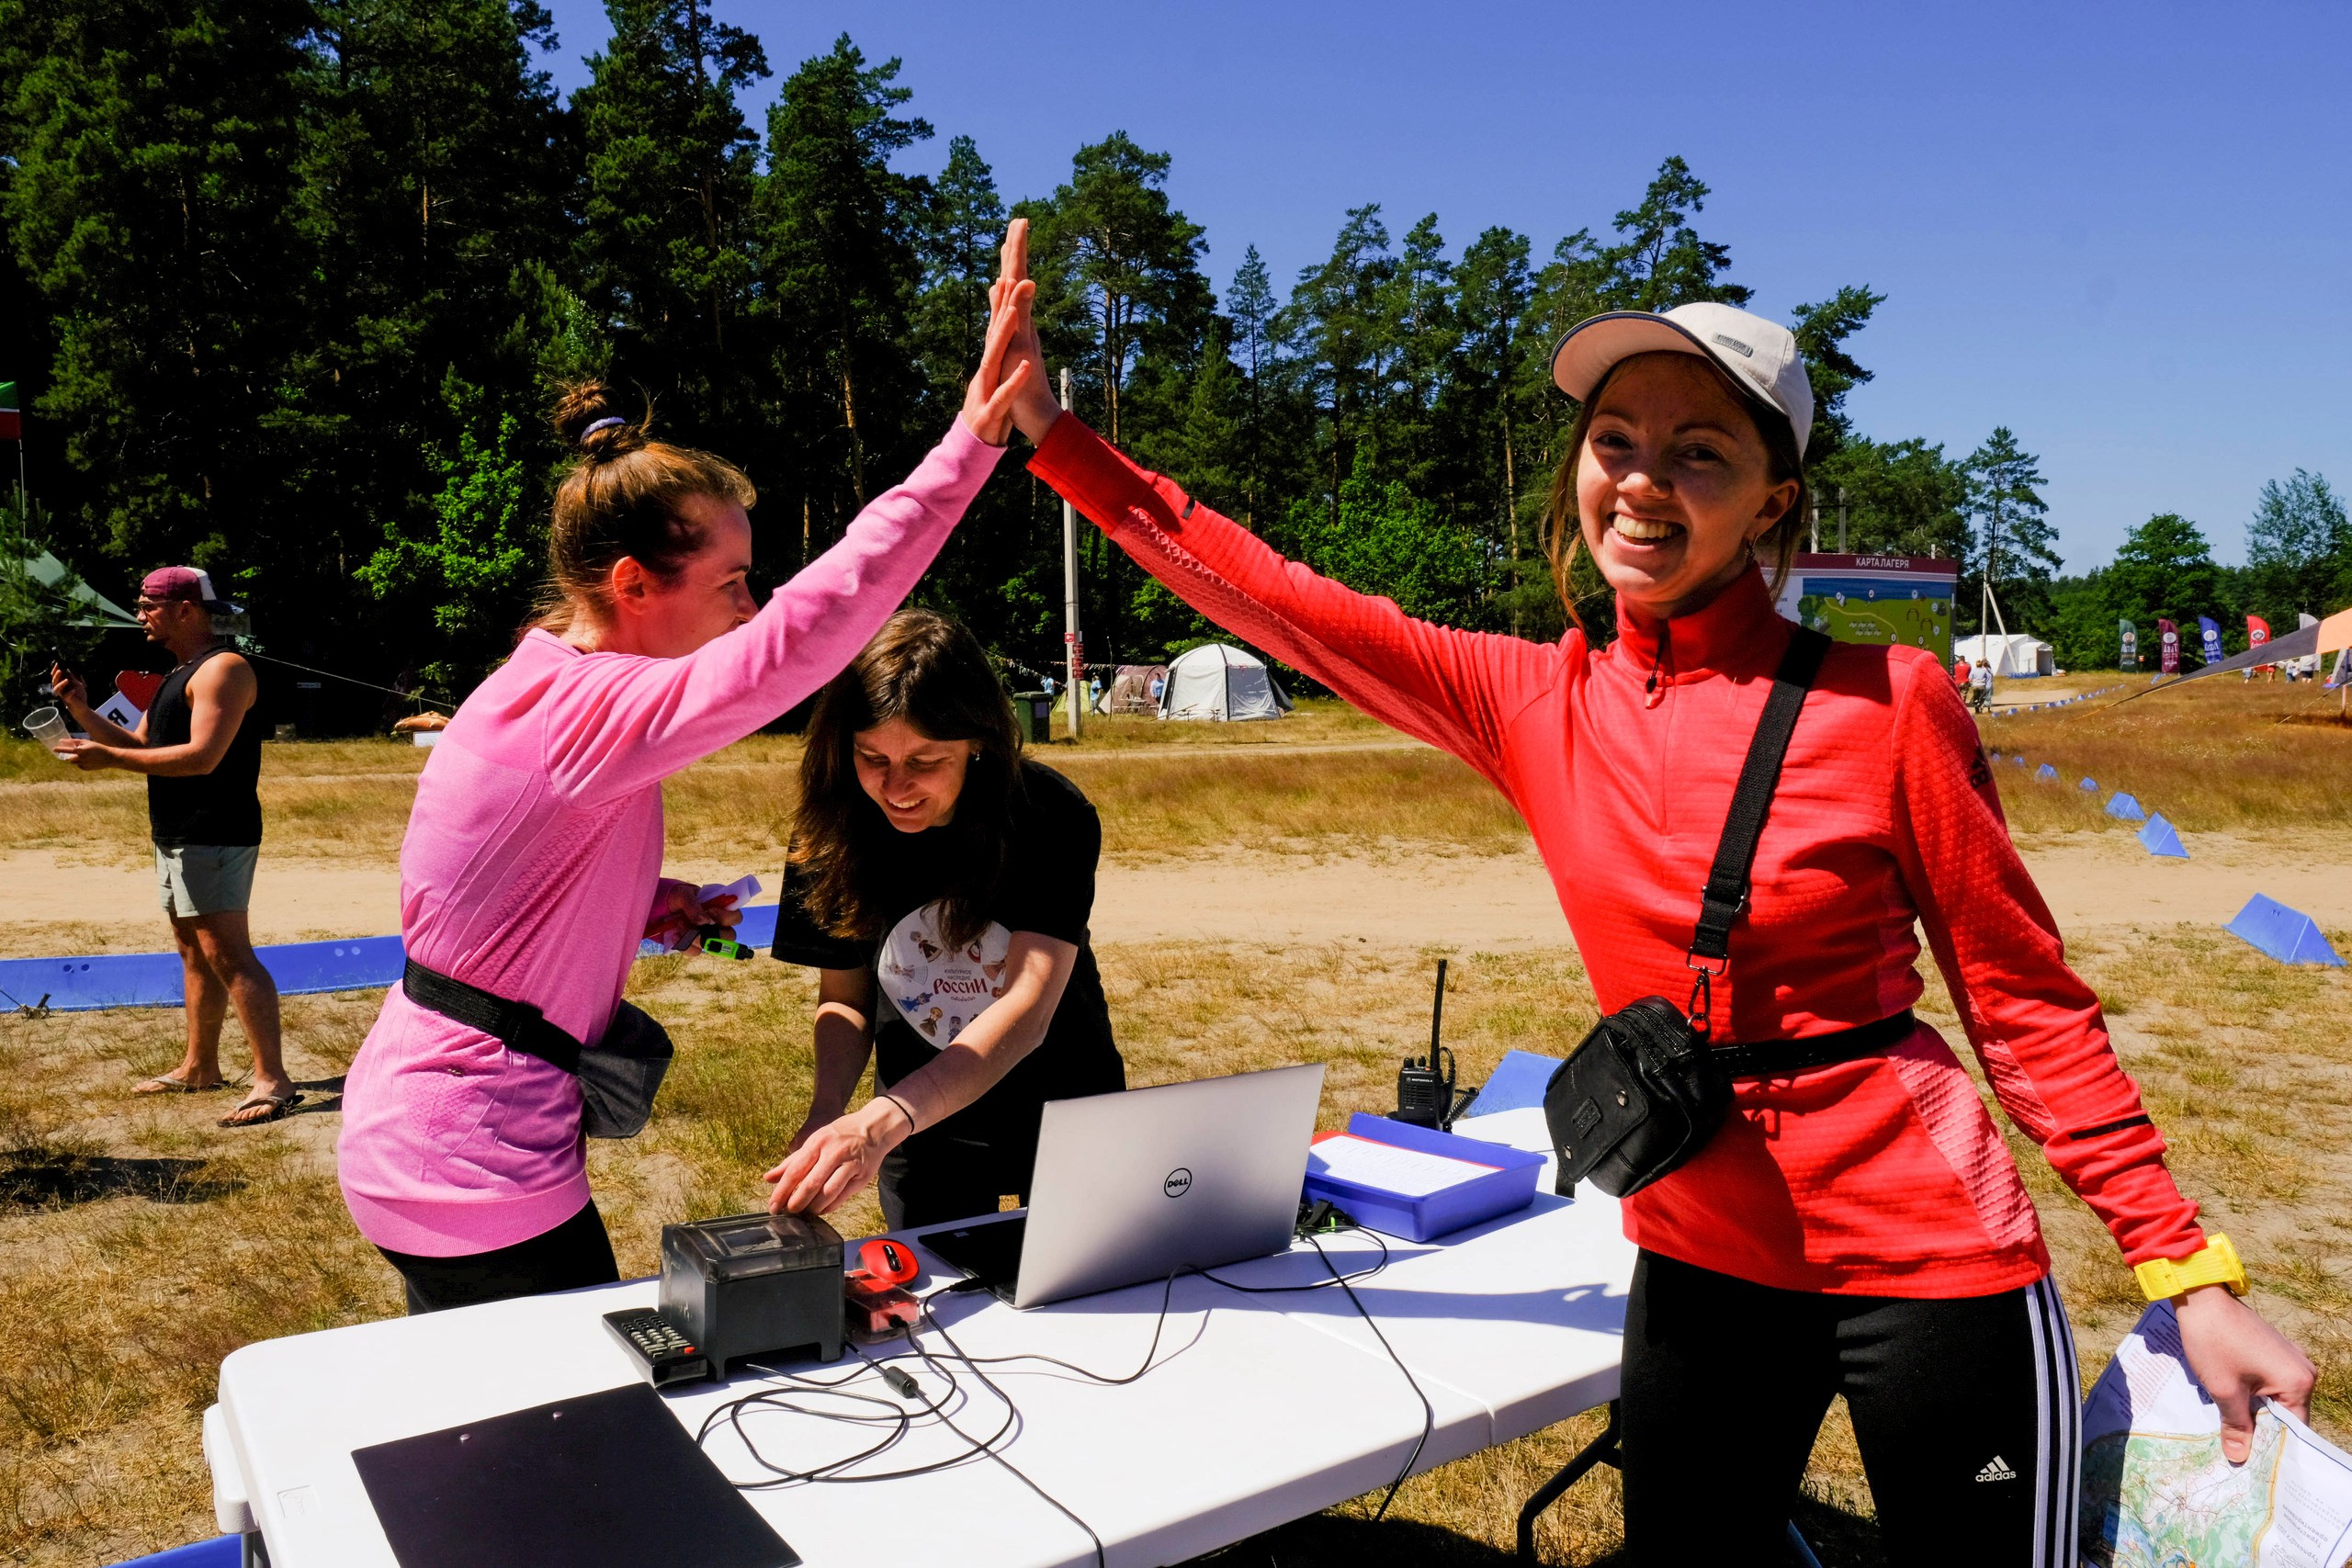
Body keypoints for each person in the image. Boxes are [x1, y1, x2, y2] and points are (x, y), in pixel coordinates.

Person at [995, 269, 2314, 1564]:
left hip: (1928, 1253)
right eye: (1614, 441)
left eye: (1698, 454)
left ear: (1771, 502)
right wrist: (1058, 440)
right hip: (1698, 1243)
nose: (1640, 479)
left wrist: (2184, 1268)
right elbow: (1280, 601)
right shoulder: (1533, 698)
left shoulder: (1891, 701)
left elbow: (2023, 1004)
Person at [334, 222, 1039, 1314]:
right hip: (467, 1155)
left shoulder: (539, 687)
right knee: (574, 1440)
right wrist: (970, 444)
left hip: (435, 1132)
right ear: (633, 583)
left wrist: (641, 904)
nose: (750, 606)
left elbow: (486, 887)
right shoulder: (587, 711)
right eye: (732, 583)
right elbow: (809, 634)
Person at [764, 609, 1124, 1228]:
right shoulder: (830, 833)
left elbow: (1028, 1008)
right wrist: (828, 1110)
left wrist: (883, 1119)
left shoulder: (1046, 815)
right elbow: (846, 999)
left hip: (1066, 1115)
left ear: (977, 741)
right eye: (871, 756)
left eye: (925, 762)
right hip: (927, 1142)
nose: (895, 786)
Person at [51, 568, 300, 1127]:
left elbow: (202, 757)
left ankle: (273, 1081)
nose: (139, 613)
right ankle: (199, 1067)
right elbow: (141, 743)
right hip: (179, 833)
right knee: (193, 951)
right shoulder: (178, 672)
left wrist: (107, 759)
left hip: (215, 830)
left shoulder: (224, 670)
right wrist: (82, 711)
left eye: (147, 604)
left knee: (228, 955)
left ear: (186, 609)